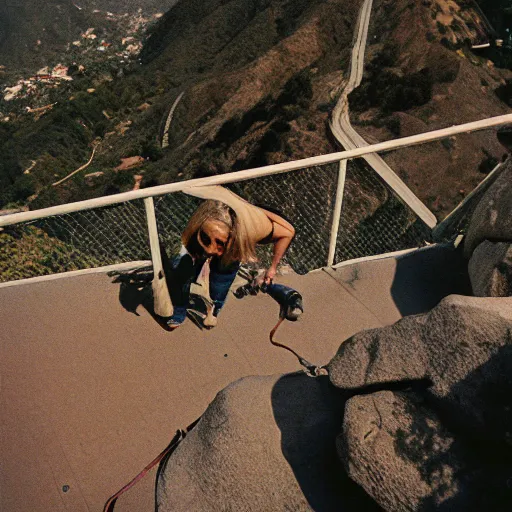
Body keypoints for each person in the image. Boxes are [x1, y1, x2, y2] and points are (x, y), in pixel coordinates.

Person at [164, 185, 295, 329]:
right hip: (218, 217)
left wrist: (272, 267)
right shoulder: (206, 218)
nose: (211, 251)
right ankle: (178, 310)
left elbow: (289, 231)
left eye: (221, 244)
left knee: (220, 281)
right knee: (183, 270)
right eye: (207, 240)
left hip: (239, 238)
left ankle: (213, 310)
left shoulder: (261, 228)